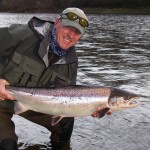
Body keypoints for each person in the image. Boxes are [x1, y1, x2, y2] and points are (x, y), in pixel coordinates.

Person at [0, 8, 111, 150]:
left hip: (31, 103)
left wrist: (91, 108)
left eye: (77, 32)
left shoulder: (71, 63)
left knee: (66, 122)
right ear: (57, 22)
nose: (71, 35)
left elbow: (69, 97)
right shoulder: (22, 35)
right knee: (7, 145)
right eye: (68, 27)